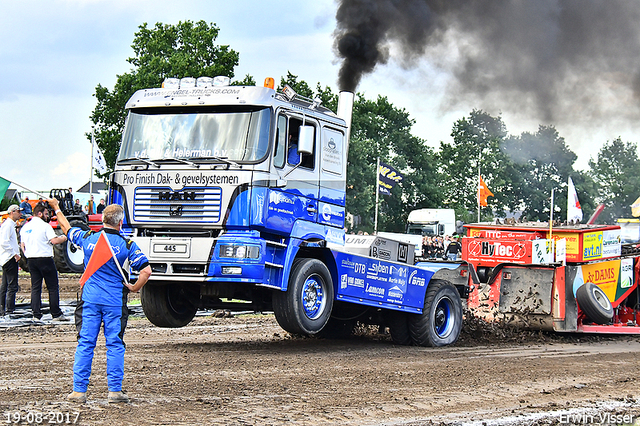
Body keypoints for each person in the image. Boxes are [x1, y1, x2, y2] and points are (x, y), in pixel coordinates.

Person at [48, 198, 151, 404]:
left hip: (89, 301)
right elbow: (146, 271)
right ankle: (114, 391)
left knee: (85, 343)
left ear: (102, 219)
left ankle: (79, 391)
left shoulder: (87, 237)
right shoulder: (127, 244)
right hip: (114, 301)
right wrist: (134, 288)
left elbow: (67, 229)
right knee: (115, 344)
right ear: (120, 223)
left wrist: (57, 208)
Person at [19, 203, 68, 321]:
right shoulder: (45, 226)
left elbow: (22, 245)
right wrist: (64, 237)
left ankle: (36, 314)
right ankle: (56, 313)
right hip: (45, 258)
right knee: (52, 287)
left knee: (36, 287)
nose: (47, 216)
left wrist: (27, 254)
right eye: (46, 214)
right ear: (39, 214)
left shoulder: (25, 227)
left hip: (31, 259)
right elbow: (54, 240)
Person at [0, 205, 23, 316]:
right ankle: (9, 310)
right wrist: (14, 254)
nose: (20, 214)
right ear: (12, 212)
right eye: (18, 212)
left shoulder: (9, 225)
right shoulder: (8, 225)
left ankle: (2, 308)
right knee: (12, 285)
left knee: (5, 285)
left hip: (6, 258)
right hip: (9, 258)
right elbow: (4, 242)